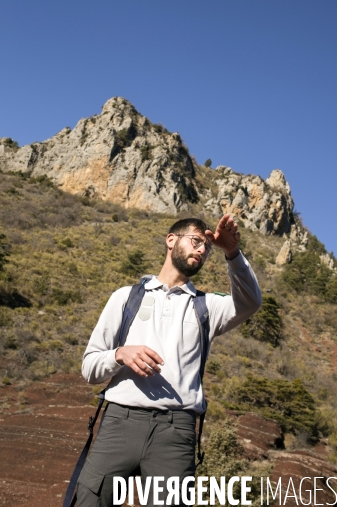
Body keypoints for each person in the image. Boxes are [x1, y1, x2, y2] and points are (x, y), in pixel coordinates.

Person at [76, 214, 262, 507]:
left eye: (207, 248)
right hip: (120, 422)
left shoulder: (207, 306)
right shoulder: (126, 298)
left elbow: (251, 302)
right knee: (90, 499)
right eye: (196, 241)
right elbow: (89, 368)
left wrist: (232, 252)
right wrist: (120, 354)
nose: (202, 250)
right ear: (171, 240)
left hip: (176, 432)